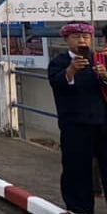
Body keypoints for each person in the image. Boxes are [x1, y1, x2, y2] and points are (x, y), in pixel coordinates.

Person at [48, 22, 107, 213]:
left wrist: (105, 76)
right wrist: (71, 71)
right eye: (76, 36)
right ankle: (79, 209)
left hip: (103, 123)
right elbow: (57, 84)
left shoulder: (99, 60)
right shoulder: (59, 61)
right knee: (77, 171)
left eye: (86, 37)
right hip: (75, 125)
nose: (82, 40)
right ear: (66, 40)